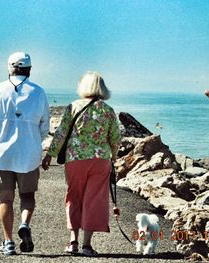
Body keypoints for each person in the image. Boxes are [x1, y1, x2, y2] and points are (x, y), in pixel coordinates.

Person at [0, 52, 50, 256]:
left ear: (9, 68)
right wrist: (39, 144)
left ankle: (8, 242)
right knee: (27, 196)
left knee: (5, 199)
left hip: (2, 154)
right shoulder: (38, 92)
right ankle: (24, 223)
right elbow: (45, 126)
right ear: (30, 69)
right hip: (29, 154)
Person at [42, 71, 121, 257]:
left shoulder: (73, 106)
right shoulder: (108, 110)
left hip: (75, 159)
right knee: (94, 199)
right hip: (100, 160)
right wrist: (114, 157)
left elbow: (61, 132)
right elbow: (115, 138)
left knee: (74, 196)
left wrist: (50, 155)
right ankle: (87, 245)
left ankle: (73, 241)